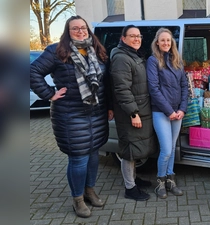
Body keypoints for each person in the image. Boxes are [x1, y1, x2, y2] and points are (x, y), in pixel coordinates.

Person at [30, 15, 113, 218]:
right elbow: (32, 71)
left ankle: (89, 191)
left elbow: (106, 82)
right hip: (70, 114)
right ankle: (77, 199)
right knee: (79, 158)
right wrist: (50, 93)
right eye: (75, 28)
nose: (80, 31)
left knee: (94, 155)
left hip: (96, 113)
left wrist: (109, 105)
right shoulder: (57, 51)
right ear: (68, 31)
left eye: (83, 27)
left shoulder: (97, 50)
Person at [109, 25, 158, 201]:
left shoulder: (134, 54)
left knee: (136, 149)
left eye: (139, 36)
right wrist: (133, 113)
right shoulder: (122, 58)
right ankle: (130, 188)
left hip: (141, 109)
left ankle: (134, 179)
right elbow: (122, 90)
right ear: (123, 38)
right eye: (132, 36)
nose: (137, 39)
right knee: (129, 150)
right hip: (131, 113)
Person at [146, 28, 188, 199]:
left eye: (168, 40)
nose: (165, 43)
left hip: (177, 112)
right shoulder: (153, 60)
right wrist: (169, 111)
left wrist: (182, 109)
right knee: (166, 150)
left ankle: (170, 179)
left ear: (172, 43)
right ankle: (160, 182)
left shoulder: (177, 60)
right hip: (161, 112)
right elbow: (153, 89)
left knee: (171, 148)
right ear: (157, 42)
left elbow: (185, 86)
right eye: (162, 40)